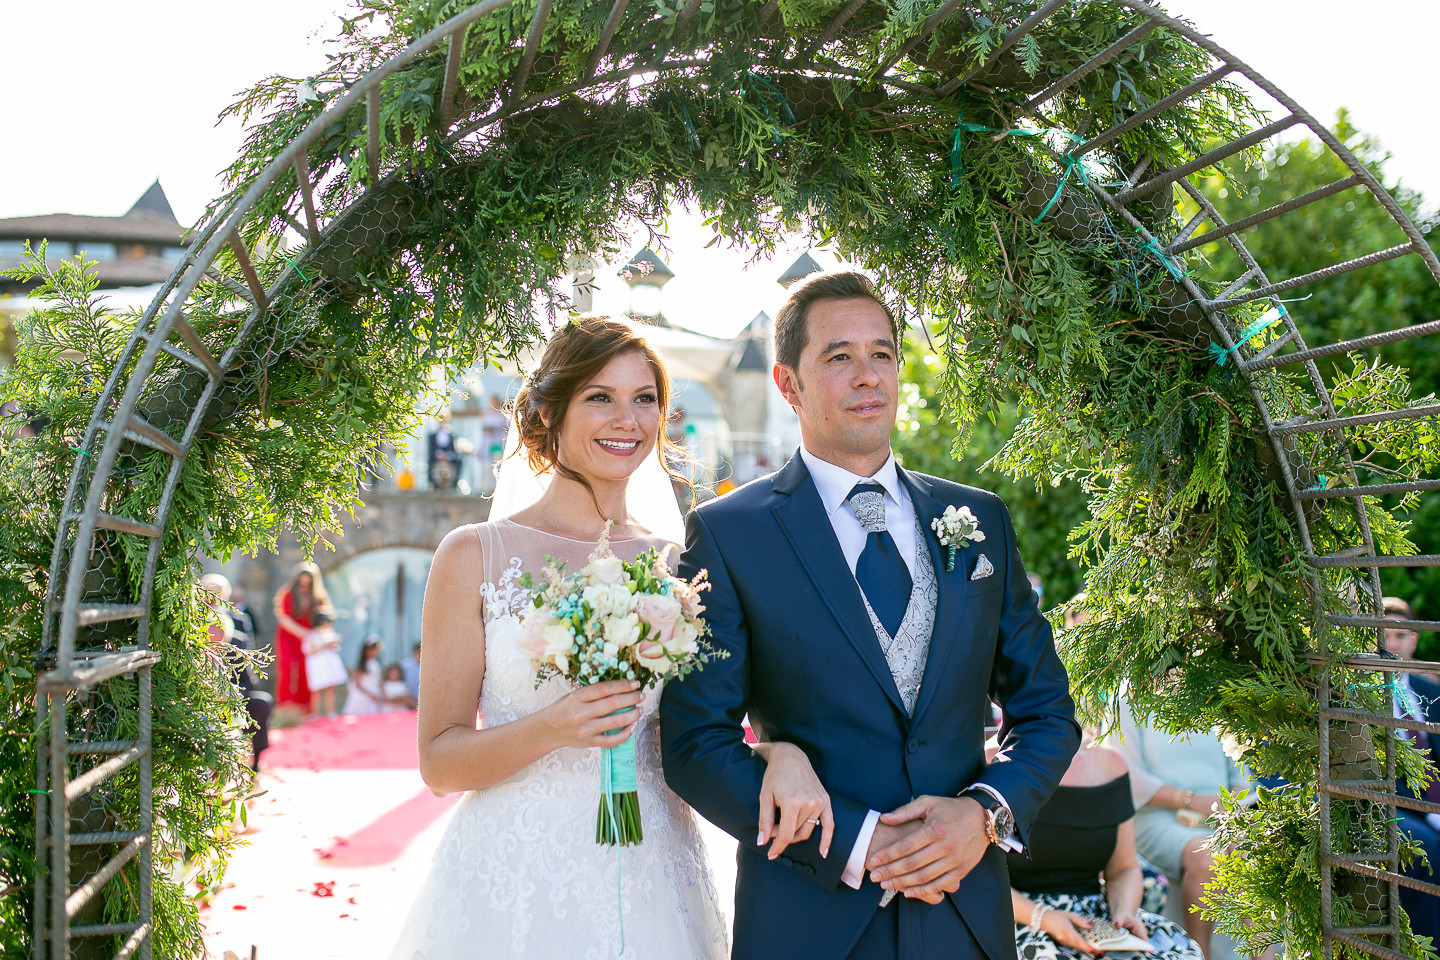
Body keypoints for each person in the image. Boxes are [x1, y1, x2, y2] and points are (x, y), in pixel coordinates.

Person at [660, 271, 1081, 960]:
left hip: (963, 913)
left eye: (882, 353)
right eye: (839, 357)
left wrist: (983, 812)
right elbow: (694, 744)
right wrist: (855, 841)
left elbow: (1048, 713)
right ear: (788, 384)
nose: (868, 376)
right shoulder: (730, 534)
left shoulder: (979, 519)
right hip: (810, 919)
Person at [389, 316, 827, 958]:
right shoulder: (472, 556)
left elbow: (698, 736)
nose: (627, 420)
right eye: (600, 396)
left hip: (654, 872)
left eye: (644, 399)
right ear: (548, 412)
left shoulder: (682, 566)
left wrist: (777, 754)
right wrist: (554, 726)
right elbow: (439, 764)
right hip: (515, 881)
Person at [1007, 733, 1202, 960]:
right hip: (1018, 916)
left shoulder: (1111, 765)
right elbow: (978, 879)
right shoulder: (989, 762)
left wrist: (1124, 911)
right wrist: (1043, 917)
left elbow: (1124, 867)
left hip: (1096, 920)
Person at [1108, 698, 1248, 959]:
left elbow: (1243, 773)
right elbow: (1125, 772)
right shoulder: (1127, 701)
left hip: (1220, 816)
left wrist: (1231, 809)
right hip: (1157, 817)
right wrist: (1191, 800)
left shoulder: (1216, 694)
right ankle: (1198, 954)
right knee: (1208, 857)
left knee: (1251, 852)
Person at [202, 573, 271, 772]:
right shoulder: (191, 622)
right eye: (208, 592)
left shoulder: (238, 624)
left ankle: (255, 763)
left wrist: (234, 694)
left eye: (217, 593)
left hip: (234, 687)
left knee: (261, 703)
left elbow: (246, 665)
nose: (212, 598)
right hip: (203, 693)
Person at [273, 562, 331, 716]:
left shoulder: (319, 597)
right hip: (289, 636)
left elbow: (324, 619)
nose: (304, 586)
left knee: (307, 672)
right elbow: (284, 619)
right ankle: (284, 710)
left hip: (309, 640)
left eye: (308, 584)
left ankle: (305, 710)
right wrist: (304, 633)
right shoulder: (288, 594)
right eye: (301, 583)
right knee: (287, 670)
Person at [303, 612, 349, 717]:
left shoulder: (330, 634)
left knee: (330, 688)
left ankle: (330, 712)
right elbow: (311, 651)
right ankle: (314, 713)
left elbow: (335, 649)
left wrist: (333, 643)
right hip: (316, 665)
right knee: (316, 690)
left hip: (328, 665)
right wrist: (325, 644)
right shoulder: (311, 635)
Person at [345, 637, 385, 715]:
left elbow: (379, 681)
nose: (374, 652)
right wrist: (370, 695)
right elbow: (357, 684)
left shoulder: (377, 665)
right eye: (371, 649)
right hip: (362, 697)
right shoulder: (361, 667)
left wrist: (381, 693)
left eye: (376, 649)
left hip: (374, 697)